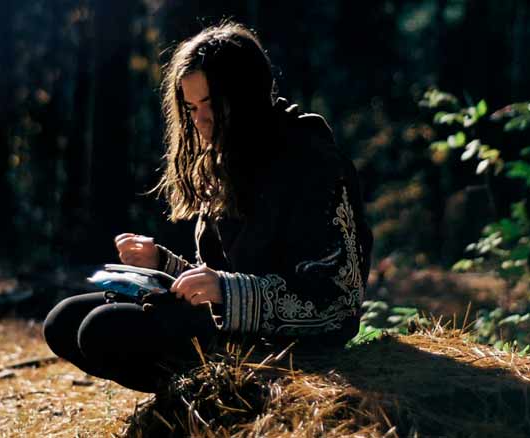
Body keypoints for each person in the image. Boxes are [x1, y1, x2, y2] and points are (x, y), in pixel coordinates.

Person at [43, 21, 373, 394]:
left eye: (212, 105)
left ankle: (218, 402)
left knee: (104, 329)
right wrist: (163, 265)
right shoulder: (227, 159)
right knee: (63, 321)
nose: (200, 121)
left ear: (247, 95)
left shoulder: (314, 163)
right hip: (232, 333)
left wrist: (227, 292)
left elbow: (338, 306)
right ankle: (198, 403)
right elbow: (220, 279)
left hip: (290, 351)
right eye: (192, 108)